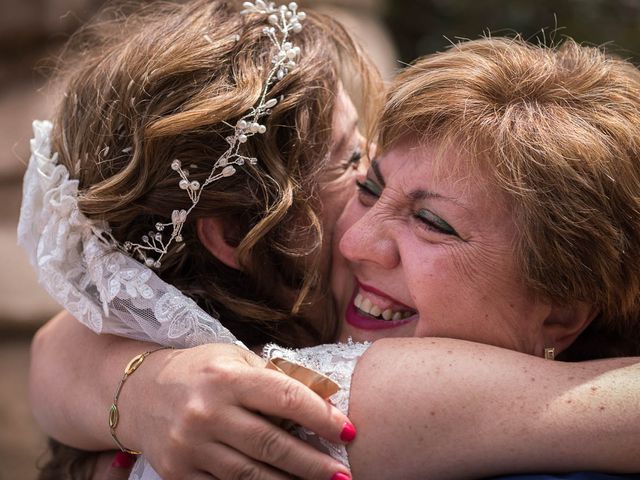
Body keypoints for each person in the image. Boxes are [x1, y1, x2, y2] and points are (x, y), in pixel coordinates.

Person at [23, 1, 640, 478]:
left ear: (561, 310)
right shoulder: (186, 374)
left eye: (433, 222)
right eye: (365, 179)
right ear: (229, 236)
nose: (356, 241)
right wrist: (134, 387)